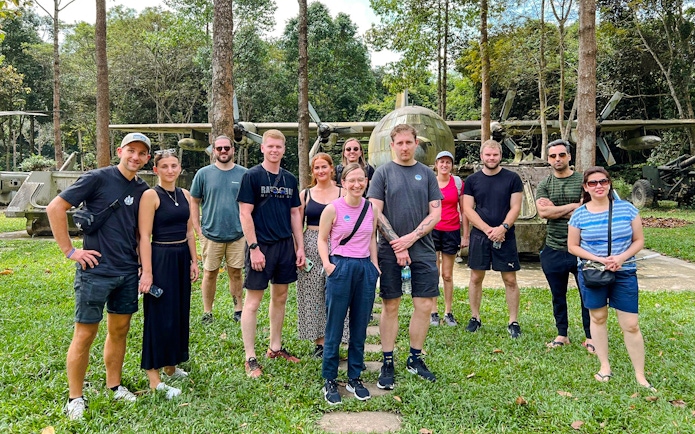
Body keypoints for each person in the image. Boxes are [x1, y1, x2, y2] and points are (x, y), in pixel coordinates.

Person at [46, 132, 151, 420]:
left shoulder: (143, 188)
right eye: (131, 150)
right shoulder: (97, 178)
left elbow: (141, 232)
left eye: (142, 153)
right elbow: (56, 207)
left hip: (127, 272)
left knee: (119, 331)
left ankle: (114, 385)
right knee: (85, 333)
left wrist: (142, 265)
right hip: (95, 272)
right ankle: (75, 397)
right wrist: (71, 252)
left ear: (147, 159)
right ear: (120, 151)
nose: (135, 157)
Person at [367, 123, 442, 388]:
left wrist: (410, 239)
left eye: (409, 142)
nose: (404, 147)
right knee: (391, 305)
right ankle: (387, 361)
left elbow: (436, 213)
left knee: (423, 305)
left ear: (416, 144)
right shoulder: (382, 174)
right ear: (392, 146)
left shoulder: (427, 174)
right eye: (399, 143)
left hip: (422, 249)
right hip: (389, 250)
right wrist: (397, 244)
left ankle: (415, 358)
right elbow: (375, 212)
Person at [568, 167, 654, 390]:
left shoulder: (627, 210)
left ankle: (640, 375)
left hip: (624, 271)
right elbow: (573, 246)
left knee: (631, 325)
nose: (599, 186)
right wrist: (599, 258)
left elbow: (638, 241)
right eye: (593, 183)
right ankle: (604, 366)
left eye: (603, 181)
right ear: (586, 187)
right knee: (598, 318)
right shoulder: (579, 214)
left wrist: (621, 257)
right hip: (593, 271)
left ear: (609, 183)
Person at [237, 129, 306, 378]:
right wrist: (254, 248)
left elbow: (295, 214)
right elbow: (245, 213)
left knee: (281, 296)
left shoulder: (289, 179)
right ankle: (250, 356)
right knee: (253, 301)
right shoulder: (252, 177)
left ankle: (275, 347)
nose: (275, 150)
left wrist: (299, 246)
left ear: (284, 150)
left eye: (279, 147)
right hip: (261, 245)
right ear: (262, 148)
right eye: (270, 146)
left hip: (284, 246)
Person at [138, 149, 199, 399]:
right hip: (160, 257)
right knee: (159, 315)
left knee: (178, 312)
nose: (170, 170)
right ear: (156, 170)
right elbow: (143, 236)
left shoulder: (185, 194)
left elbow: (189, 231)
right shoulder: (150, 196)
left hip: (181, 257)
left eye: (174, 165)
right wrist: (147, 272)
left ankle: (171, 366)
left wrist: (195, 261)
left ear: (180, 168)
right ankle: (154, 379)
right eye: (165, 166)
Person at [318, 163, 380, 405]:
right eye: (351, 180)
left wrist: (375, 267)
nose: (356, 184)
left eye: (361, 180)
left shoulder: (370, 208)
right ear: (343, 183)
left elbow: (372, 239)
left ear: (366, 181)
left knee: (360, 325)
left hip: (364, 269)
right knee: (334, 325)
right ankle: (330, 378)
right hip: (340, 267)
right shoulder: (332, 209)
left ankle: (355, 376)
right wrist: (328, 265)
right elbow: (322, 240)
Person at [536, 139, 593, 352]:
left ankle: (591, 337)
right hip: (554, 248)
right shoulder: (544, 184)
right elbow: (543, 213)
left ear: (569, 156)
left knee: (587, 295)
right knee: (557, 295)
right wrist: (574, 207)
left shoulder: (583, 181)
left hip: (583, 248)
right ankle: (562, 334)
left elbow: (588, 211)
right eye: (553, 156)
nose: (557, 159)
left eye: (561, 155)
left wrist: (556, 209)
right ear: (548, 159)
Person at [463, 139, 524, 338]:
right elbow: (467, 209)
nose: (491, 158)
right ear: (482, 156)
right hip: (481, 236)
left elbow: (516, 207)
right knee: (475, 277)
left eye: (495, 155)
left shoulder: (512, 178)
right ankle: (475, 317)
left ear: (500, 156)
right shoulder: (472, 180)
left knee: (510, 279)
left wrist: (503, 227)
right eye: (488, 155)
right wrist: (488, 229)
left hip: (505, 235)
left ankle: (513, 321)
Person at [191, 135, 247, 324]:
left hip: (238, 234)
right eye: (219, 148)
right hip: (210, 234)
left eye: (226, 148)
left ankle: (238, 309)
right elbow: (194, 201)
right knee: (209, 273)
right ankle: (208, 312)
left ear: (233, 149)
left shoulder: (244, 174)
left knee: (236, 272)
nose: (223, 151)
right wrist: (198, 228)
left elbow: (251, 204)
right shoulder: (203, 174)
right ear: (213, 151)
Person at [297, 153, 343, 358]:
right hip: (311, 244)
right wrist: (298, 248)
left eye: (324, 167)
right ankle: (320, 343)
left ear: (332, 168)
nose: (321, 171)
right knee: (313, 293)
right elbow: (297, 224)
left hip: (338, 245)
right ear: (312, 171)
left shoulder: (343, 192)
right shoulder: (305, 194)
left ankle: (337, 340)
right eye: (317, 168)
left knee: (338, 294)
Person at [430, 150, 469, 327]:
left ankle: (448, 311)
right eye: (441, 162)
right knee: (433, 272)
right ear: (436, 164)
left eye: (448, 162)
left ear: (451, 165)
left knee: (447, 274)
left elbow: (464, 210)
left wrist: (465, 234)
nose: (444, 165)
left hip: (451, 230)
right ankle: (433, 311)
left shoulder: (458, 183)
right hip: (433, 230)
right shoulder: (430, 182)